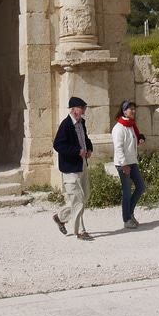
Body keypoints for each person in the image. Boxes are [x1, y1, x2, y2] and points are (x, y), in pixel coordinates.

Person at [52, 96, 93, 241]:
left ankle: (60, 216)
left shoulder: (82, 123)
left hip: (82, 165)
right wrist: (77, 151)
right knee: (78, 200)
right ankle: (80, 232)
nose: (84, 110)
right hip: (70, 169)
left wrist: (89, 148)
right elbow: (58, 145)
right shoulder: (66, 125)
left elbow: (85, 140)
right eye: (82, 108)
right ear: (74, 109)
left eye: (84, 108)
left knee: (85, 196)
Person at [112, 99, 147, 229]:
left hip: (132, 162)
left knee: (141, 187)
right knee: (126, 192)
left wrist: (141, 139)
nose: (133, 111)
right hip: (123, 164)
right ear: (124, 111)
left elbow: (134, 139)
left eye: (134, 108)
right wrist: (124, 164)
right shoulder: (118, 128)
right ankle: (126, 219)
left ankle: (130, 212)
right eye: (130, 109)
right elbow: (118, 148)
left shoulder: (131, 125)